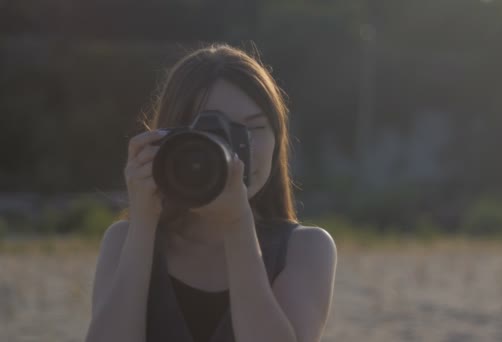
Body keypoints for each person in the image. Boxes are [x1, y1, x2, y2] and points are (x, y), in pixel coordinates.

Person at [85, 42, 337, 342]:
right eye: (213, 132)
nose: (236, 151)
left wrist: (237, 225)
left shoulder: (305, 249)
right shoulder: (125, 241)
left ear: (277, 137)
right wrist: (143, 224)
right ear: (170, 140)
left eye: (254, 128)